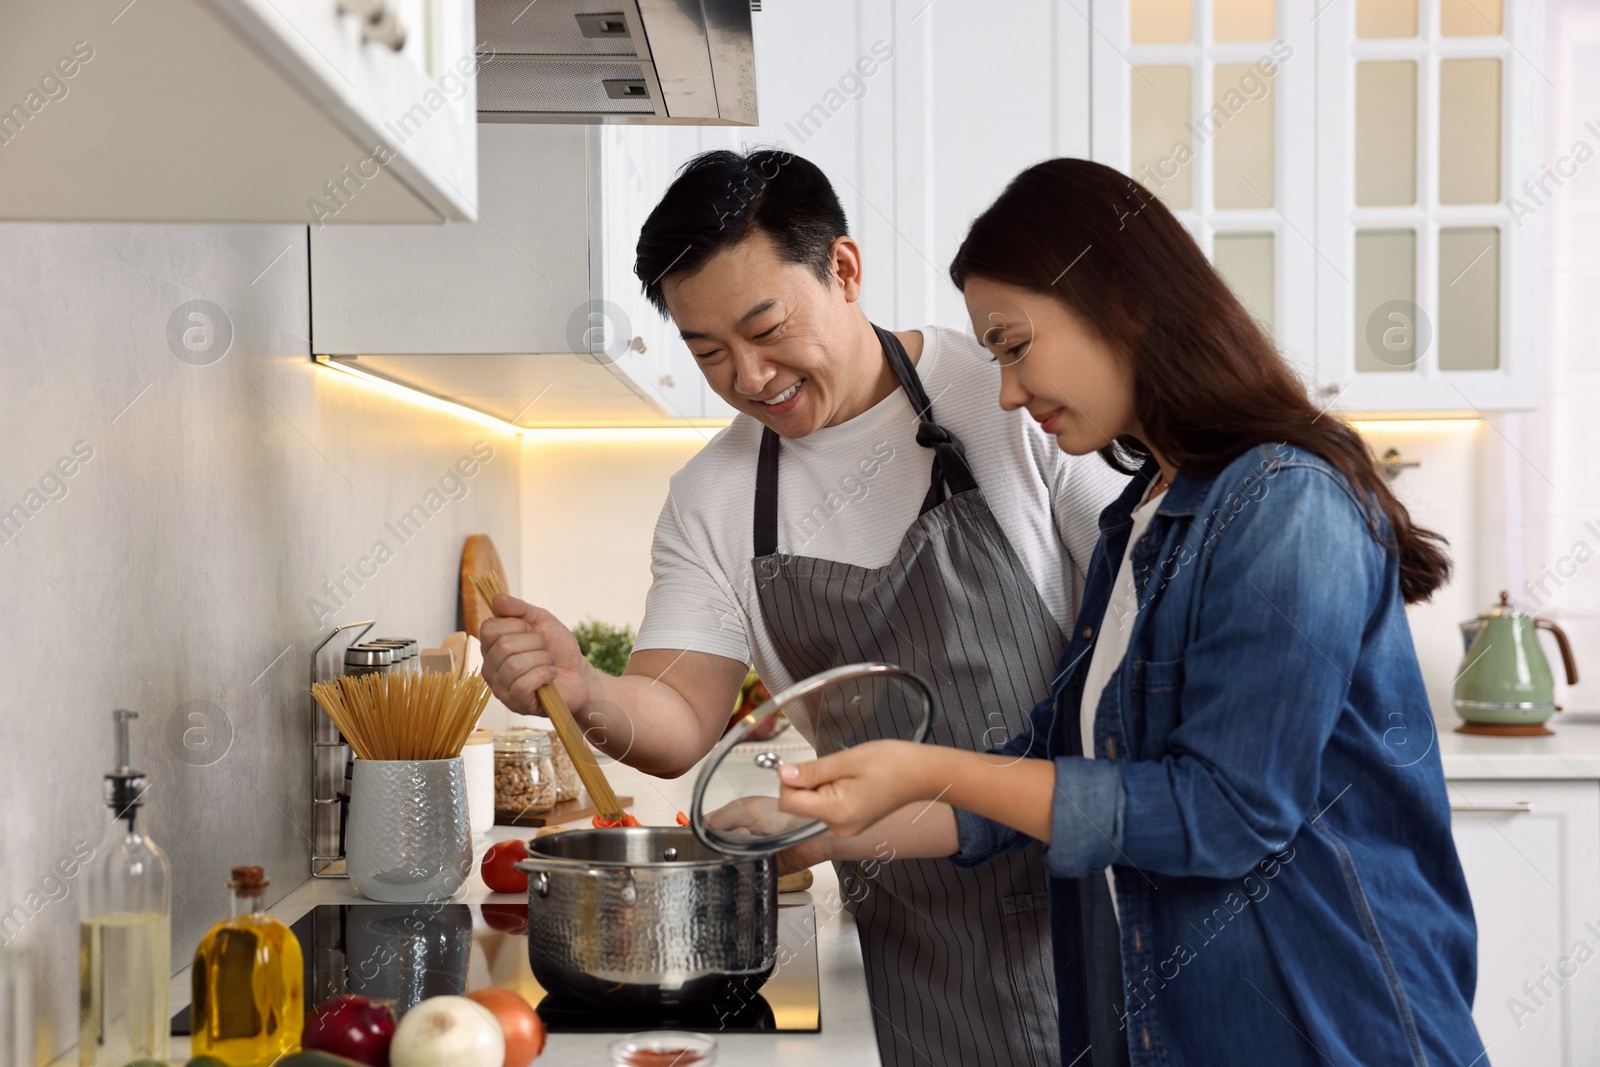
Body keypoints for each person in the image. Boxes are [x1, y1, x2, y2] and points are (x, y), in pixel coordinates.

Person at [773, 159, 1485, 1067]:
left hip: (1330, 1030)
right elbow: (1054, 769)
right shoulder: (1139, 517)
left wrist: (926, 763)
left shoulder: (1285, 502)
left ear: (1127, 303)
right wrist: (839, 824)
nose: (1007, 392)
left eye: (1014, 344)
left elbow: (1222, 811)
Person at [477, 149, 1129, 1067]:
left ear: (845, 270)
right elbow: (674, 717)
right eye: (708, 352)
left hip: (1094, 901)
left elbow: (1143, 648)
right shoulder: (715, 495)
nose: (749, 376)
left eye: (766, 326)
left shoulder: (1017, 401)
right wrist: (580, 687)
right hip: (917, 942)